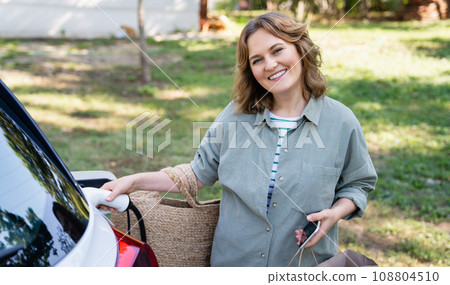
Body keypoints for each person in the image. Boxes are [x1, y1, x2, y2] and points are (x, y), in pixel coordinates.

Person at [101, 12, 377, 267]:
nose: (270, 65)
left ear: (300, 48)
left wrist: (335, 214)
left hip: (304, 264)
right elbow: (198, 174)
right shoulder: (235, 116)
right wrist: (134, 181)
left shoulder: (341, 121)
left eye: (277, 50)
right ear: (250, 70)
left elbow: (358, 184)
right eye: (257, 60)